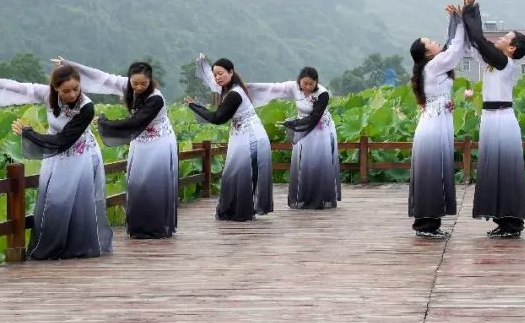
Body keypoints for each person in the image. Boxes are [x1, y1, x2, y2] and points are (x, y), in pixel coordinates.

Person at [0, 60, 112, 259]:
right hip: (54, 155)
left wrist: (29, 133)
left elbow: (63, 139)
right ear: (55, 88)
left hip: (78, 154)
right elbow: (14, 87)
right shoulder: (46, 94)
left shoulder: (86, 107)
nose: (73, 95)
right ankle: (52, 246)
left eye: (76, 89)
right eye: (66, 91)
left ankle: (77, 246)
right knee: (53, 199)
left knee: (77, 200)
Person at [55, 57, 178, 239]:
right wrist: (71, 66)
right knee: (137, 182)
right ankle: (139, 227)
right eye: (134, 83)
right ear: (129, 80)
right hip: (140, 142)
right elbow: (101, 78)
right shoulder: (128, 86)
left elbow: (136, 121)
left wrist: (106, 123)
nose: (138, 87)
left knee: (154, 183)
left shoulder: (155, 99)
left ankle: (156, 227)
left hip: (159, 141)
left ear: (150, 81)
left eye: (143, 84)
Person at [462, 0, 525, 237]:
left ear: (511, 48)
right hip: (491, 119)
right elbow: (476, 43)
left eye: (505, 38)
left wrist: (469, 13)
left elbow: (481, 39)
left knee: (506, 171)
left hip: (502, 119)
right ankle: (503, 221)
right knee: (493, 170)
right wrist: (469, 13)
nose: (499, 38)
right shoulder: (494, 62)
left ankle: (512, 223)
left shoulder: (505, 63)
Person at [408, 0, 468, 239]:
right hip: (433, 127)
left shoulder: (431, 68)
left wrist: (454, 20)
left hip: (436, 123)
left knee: (433, 173)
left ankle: (428, 223)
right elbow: (454, 50)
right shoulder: (433, 67)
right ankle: (426, 225)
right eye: (430, 42)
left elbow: (448, 45)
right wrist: (460, 22)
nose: (435, 43)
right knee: (431, 173)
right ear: (427, 53)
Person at [190, 56, 274, 221]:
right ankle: (237, 210)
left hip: (250, 137)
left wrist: (195, 106)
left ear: (231, 72)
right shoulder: (228, 89)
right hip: (241, 135)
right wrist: (203, 63)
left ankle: (240, 211)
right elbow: (208, 76)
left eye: (221, 73)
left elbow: (217, 118)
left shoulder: (234, 94)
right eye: (216, 75)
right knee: (236, 173)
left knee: (242, 173)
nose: (217, 77)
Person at [248, 67, 340, 210]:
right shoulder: (294, 87)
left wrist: (293, 124)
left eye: (311, 84)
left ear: (316, 83)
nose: (308, 87)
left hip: (320, 128)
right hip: (302, 127)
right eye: (305, 83)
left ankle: (319, 198)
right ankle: (303, 197)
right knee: (303, 163)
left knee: (318, 163)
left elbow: (314, 117)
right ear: (299, 81)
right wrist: (248, 87)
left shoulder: (322, 94)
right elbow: (273, 88)